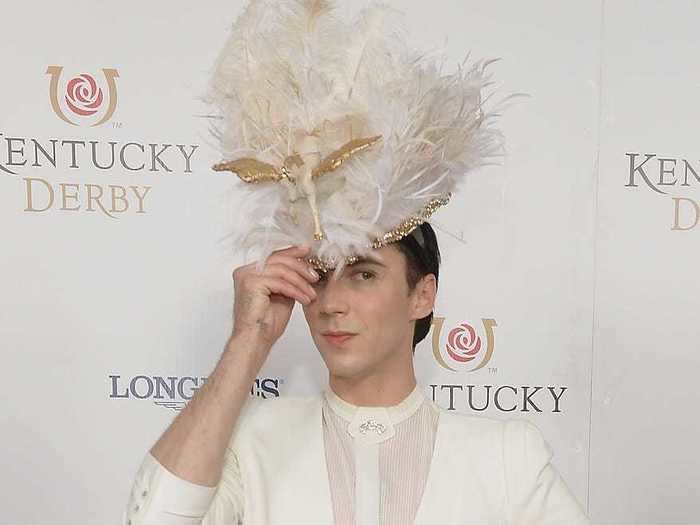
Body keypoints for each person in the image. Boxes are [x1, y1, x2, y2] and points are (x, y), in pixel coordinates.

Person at [122, 1, 591, 523]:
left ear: (423, 294)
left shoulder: (505, 455)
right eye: (317, 277)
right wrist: (246, 343)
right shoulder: (252, 439)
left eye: (363, 273)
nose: (330, 304)